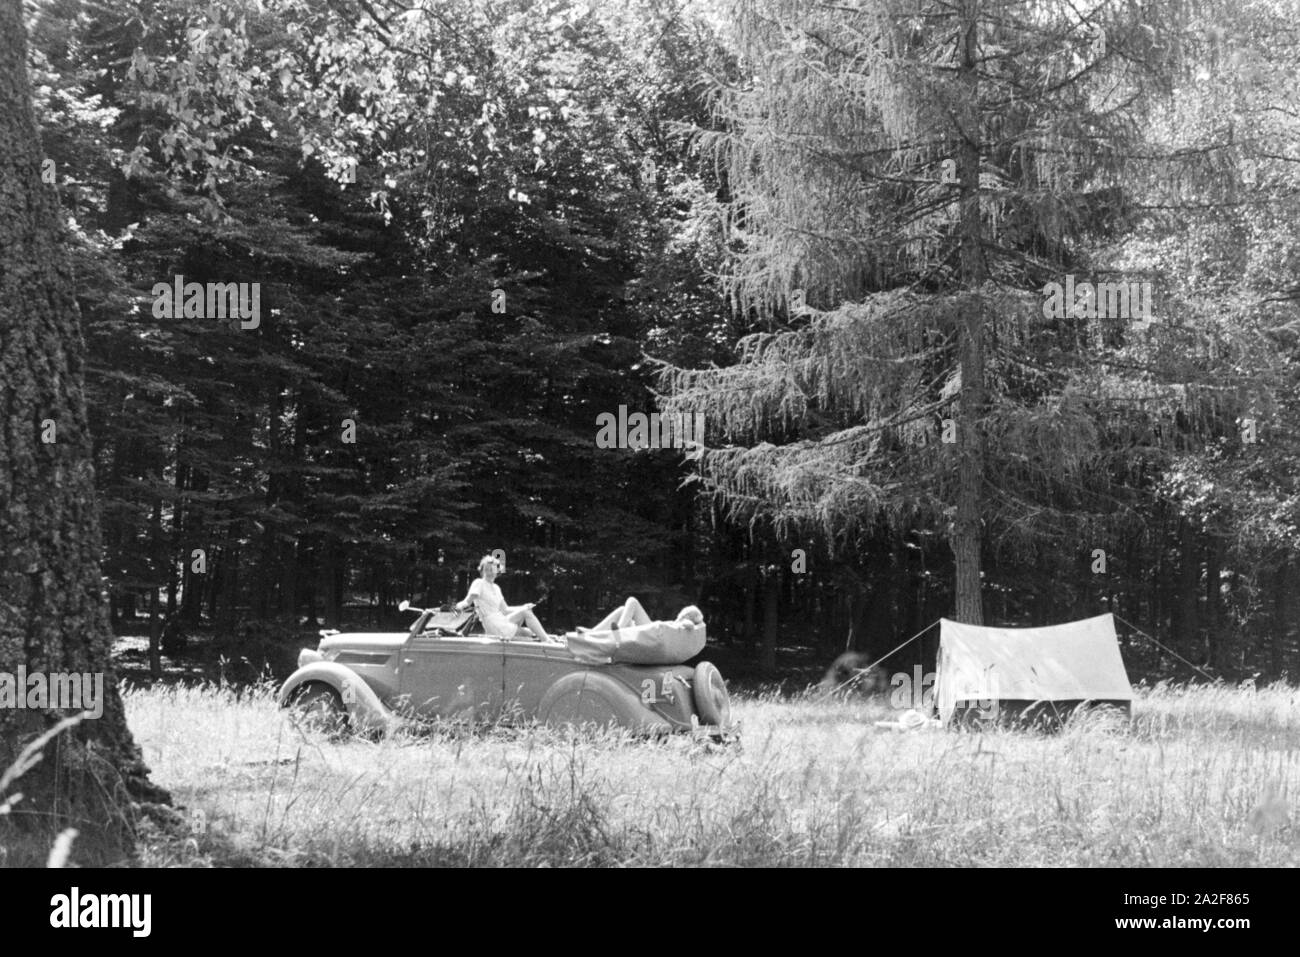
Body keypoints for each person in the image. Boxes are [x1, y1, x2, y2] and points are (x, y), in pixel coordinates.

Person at [456, 555, 551, 642]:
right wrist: (459, 606)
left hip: (501, 619)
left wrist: (523, 607)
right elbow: (467, 601)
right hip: (492, 623)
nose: (490, 572)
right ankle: (548, 642)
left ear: (497, 571)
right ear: (482, 571)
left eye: (492, 569)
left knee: (528, 618)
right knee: (530, 634)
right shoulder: (479, 583)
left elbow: (505, 609)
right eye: (487, 570)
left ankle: (546, 639)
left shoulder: (496, 588)